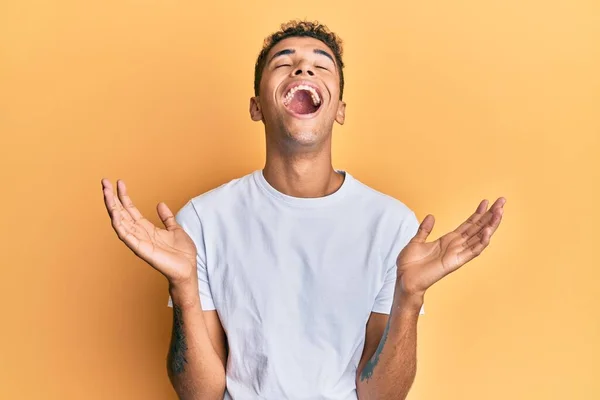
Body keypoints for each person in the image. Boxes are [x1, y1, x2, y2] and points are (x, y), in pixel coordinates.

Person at [101, 20, 505, 400]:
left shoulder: (391, 224)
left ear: (340, 110)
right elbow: (200, 393)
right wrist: (183, 288)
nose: (302, 71)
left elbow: (380, 394)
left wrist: (409, 297)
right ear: (257, 106)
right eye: (285, 63)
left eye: (319, 65)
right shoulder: (202, 221)